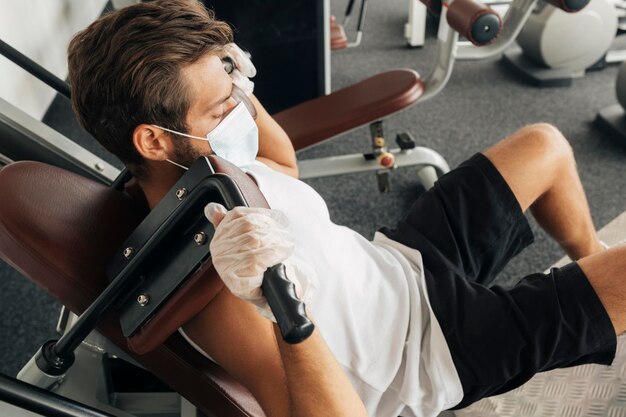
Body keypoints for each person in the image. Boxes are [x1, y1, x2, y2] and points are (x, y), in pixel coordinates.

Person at [66, 1, 625, 416]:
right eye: (222, 107)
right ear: (154, 141)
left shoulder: (210, 168)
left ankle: (587, 269)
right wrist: (281, 307)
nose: (241, 107)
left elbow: (281, 163)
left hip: (400, 267)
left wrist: (230, 79)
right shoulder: (212, 284)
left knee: (544, 145)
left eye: (238, 84)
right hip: (430, 353)